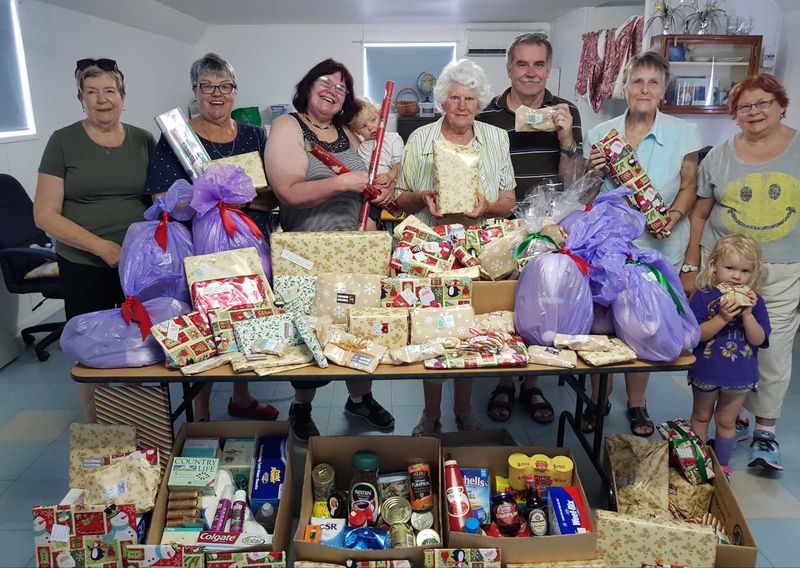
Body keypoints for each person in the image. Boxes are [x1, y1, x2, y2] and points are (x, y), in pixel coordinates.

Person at [264, 58, 395, 442]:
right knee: (311, 330)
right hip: (309, 251)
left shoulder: (345, 133)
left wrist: (379, 190)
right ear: (307, 85)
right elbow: (288, 191)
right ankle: (301, 406)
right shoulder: (288, 127)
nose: (333, 90)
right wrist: (345, 183)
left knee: (356, 325)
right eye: (325, 81)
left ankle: (360, 399)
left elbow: (363, 188)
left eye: (341, 88)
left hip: (354, 250)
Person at [143, 53, 279, 423]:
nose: (216, 94)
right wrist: (211, 198)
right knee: (203, 320)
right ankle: (201, 413)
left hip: (250, 243)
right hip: (200, 245)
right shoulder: (178, 138)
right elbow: (160, 197)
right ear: (195, 91)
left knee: (247, 316)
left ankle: (242, 397)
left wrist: (238, 198)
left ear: (235, 91)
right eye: (207, 86)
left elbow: (273, 194)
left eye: (224, 86)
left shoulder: (254, 135)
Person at [392, 58, 516, 436]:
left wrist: (486, 206)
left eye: (470, 98)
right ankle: (430, 415)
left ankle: (463, 410)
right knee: (432, 329)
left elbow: (509, 200)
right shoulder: (420, 138)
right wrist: (423, 196)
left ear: (480, 103)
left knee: (469, 328)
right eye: (455, 97)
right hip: (430, 249)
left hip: (478, 252)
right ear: (443, 101)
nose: (462, 105)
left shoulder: (496, 139)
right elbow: (399, 199)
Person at [682, 73, 799, 470]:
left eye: (763, 103)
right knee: (717, 339)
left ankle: (765, 430)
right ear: (734, 115)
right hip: (723, 265)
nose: (754, 112)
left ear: (781, 106)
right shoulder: (720, 156)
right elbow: (700, 212)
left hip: (783, 268)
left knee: (773, 349)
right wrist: (693, 263)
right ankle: (732, 411)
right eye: (744, 106)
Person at [584, 51, 702, 437]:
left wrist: (673, 216)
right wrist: (593, 171)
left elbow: (689, 186)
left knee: (647, 324)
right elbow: (587, 193)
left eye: (653, 83)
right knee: (604, 324)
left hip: (659, 245)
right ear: (626, 87)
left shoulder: (684, 133)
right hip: (611, 245)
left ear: (663, 90)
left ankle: (637, 402)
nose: (645, 90)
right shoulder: (601, 134)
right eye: (637, 81)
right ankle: (598, 398)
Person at [33, 58, 155, 421]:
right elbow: (45, 214)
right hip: (84, 261)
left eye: (110, 91)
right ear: (81, 99)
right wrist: (102, 248)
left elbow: (157, 198)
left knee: (139, 343)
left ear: (123, 97)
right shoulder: (63, 142)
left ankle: (140, 420)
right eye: (92, 92)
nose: (102, 99)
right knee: (91, 348)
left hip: (138, 265)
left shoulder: (144, 140)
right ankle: (99, 426)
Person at [478, 32, 584, 425]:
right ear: (509, 69)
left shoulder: (567, 111)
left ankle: (533, 382)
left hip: (549, 226)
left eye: (539, 64)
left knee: (544, 301)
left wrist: (567, 140)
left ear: (548, 70)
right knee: (507, 302)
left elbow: (573, 183)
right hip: (500, 223)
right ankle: (505, 380)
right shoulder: (487, 115)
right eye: (522, 64)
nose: (530, 72)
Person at [688, 235, 770, 477]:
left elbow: (759, 339)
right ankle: (698, 464)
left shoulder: (756, 302)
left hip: (740, 376)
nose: (736, 276)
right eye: (730, 268)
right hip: (706, 371)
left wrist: (748, 315)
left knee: (726, 420)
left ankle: (722, 466)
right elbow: (698, 335)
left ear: (754, 273)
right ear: (714, 265)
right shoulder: (703, 295)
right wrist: (722, 317)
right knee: (701, 415)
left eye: (745, 271)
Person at [350, 97, 404, 194]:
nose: (371, 127)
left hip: (395, 187)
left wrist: (390, 176)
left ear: (380, 115)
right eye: (363, 126)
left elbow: (400, 163)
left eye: (373, 120)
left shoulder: (394, 139)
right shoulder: (362, 148)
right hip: (373, 190)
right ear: (356, 131)